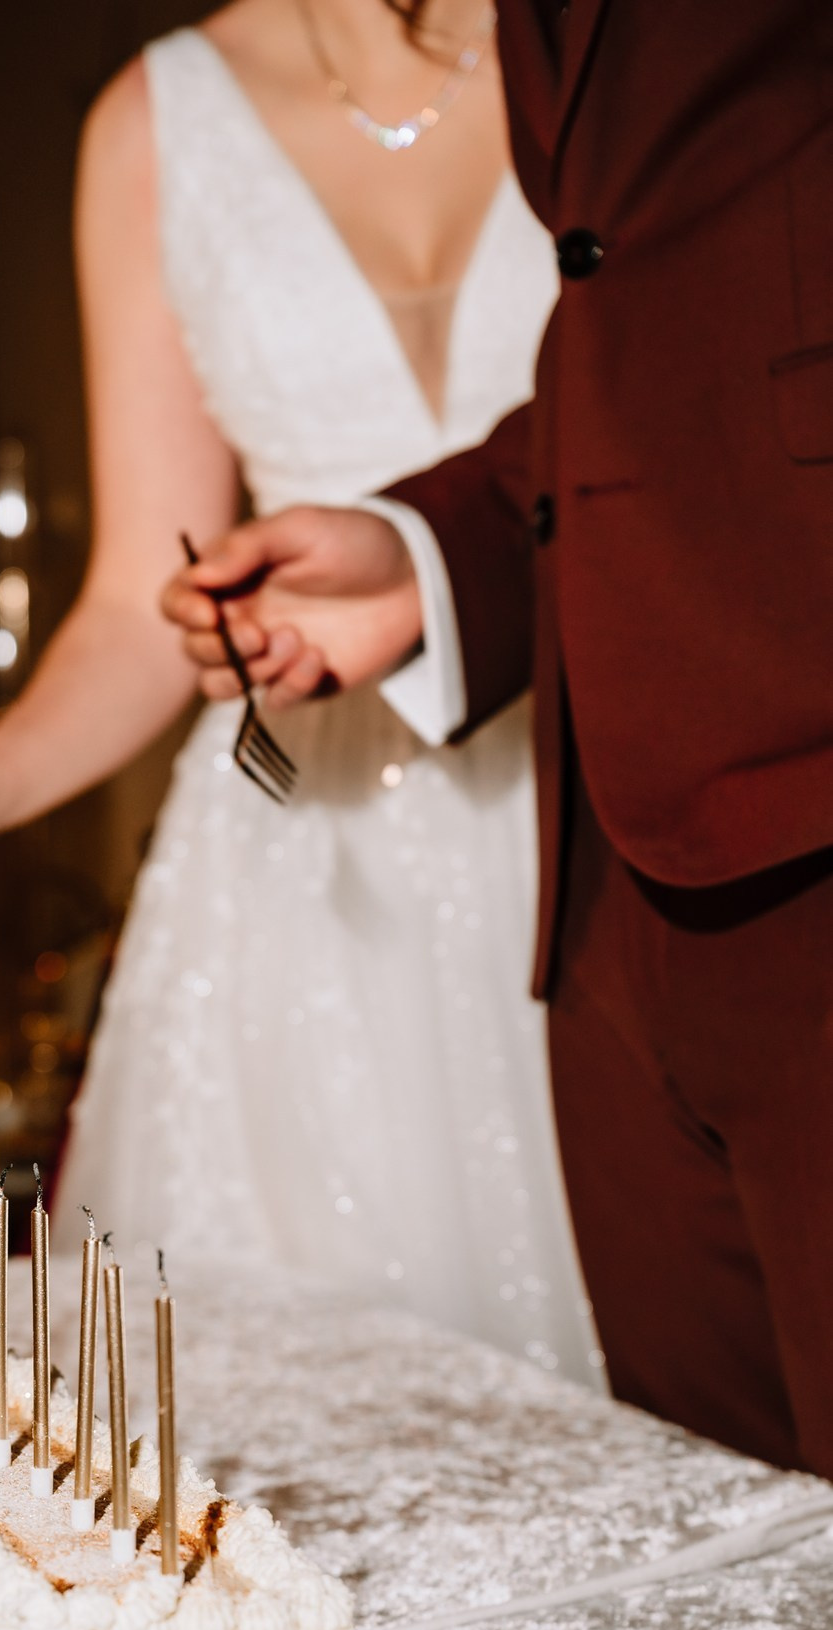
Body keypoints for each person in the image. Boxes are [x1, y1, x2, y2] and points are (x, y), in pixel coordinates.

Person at [0, 0, 597, 1382]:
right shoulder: (153, 120)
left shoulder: (615, 48)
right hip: (298, 870)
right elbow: (135, 597)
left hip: (595, 805)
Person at [159, 0, 833, 1476]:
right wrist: (430, 557)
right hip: (600, 870)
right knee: (727, 1616)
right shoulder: (163, 110)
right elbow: (659, 303)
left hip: (796, 793)